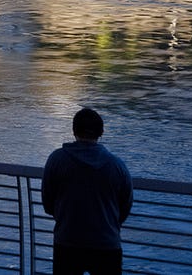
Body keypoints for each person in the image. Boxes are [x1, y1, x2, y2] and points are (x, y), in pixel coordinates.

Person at [42, 107, 133, 275]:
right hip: (107, 244)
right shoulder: (117, 166)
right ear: (101, 132)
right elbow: (125, 206)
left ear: (74, 130)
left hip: (67, 241)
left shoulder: (57, 160)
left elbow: (48, 203)